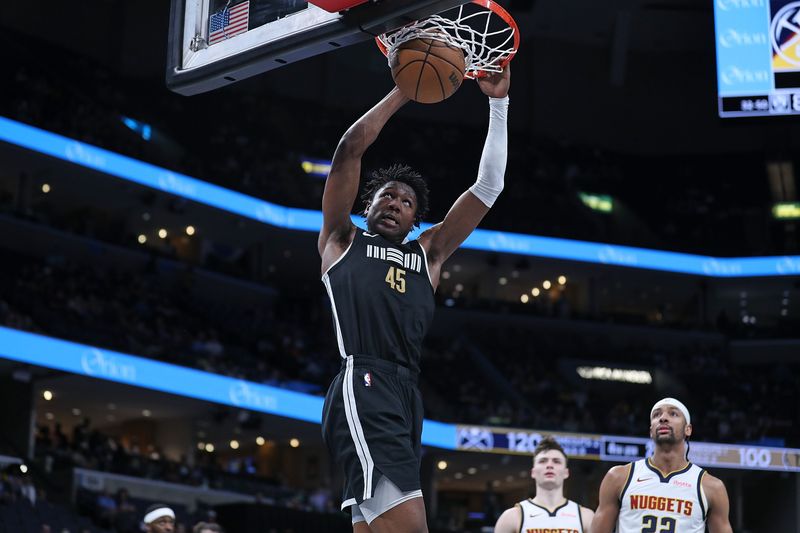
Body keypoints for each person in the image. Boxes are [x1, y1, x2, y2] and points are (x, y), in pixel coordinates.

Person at [318, 65, 511, 533]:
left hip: (407, 395)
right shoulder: (342, 240)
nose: (394, 204)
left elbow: (488, 188)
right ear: (368, 207)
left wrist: (498, 104)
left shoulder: (429, 253)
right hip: (363, 380)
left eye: (406, 202)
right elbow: (348, 150)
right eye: (386, 197)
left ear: (415, 221)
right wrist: (406, 90)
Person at [592, 398, 733, 533]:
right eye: (656, 414)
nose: (663, 418)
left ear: (688, 429)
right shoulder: (619, 477)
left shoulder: (712, 487)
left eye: (673, 413)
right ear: (651, 431)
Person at [494, 436, 594, 533]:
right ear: (533, 472)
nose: (549, 465)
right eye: (543, 461)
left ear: (566, 473)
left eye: (556, 461)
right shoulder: (511, 517)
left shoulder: (586, 517)